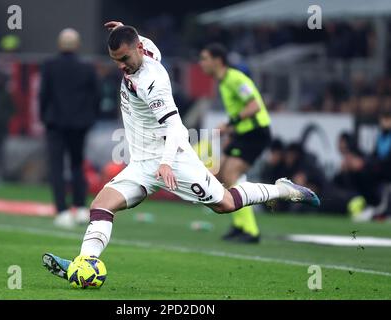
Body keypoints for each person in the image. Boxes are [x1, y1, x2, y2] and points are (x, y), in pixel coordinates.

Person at [42, 22, 319, 280]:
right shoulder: (144, 48)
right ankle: (84, 264)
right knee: (101, 206)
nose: (122, 67)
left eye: (125, 60)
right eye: (116, 61)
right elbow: (133, 38)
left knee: (225, 203)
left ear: (138, 50)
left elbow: (176, 128)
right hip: (141, 165)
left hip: (173, 160)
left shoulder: (153, 85)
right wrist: (123, 27)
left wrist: (165, 163)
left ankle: (284, 190)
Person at [199, 43, 272, 243]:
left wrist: (229, 123)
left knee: (231, 174)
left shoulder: (235, 78)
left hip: (256, 132)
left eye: (204, 58)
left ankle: (251, 230)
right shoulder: (223, 82)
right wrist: (230, 133)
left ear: (217, 61)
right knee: (224, 174)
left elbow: (255, 105)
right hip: (242, 134)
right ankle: (240, 225)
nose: (201, 63)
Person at [39, 28, 101, 228]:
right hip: (79, 124)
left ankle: (62, 211)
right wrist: (90, 117)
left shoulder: (49, 66)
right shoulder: (87, 67)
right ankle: (81, 208)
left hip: (55, 123)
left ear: (59, 44)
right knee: (77, 165)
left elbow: (43, 95)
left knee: (57, 167)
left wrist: (44, 117)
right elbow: (97, 96)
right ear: (77, 45)